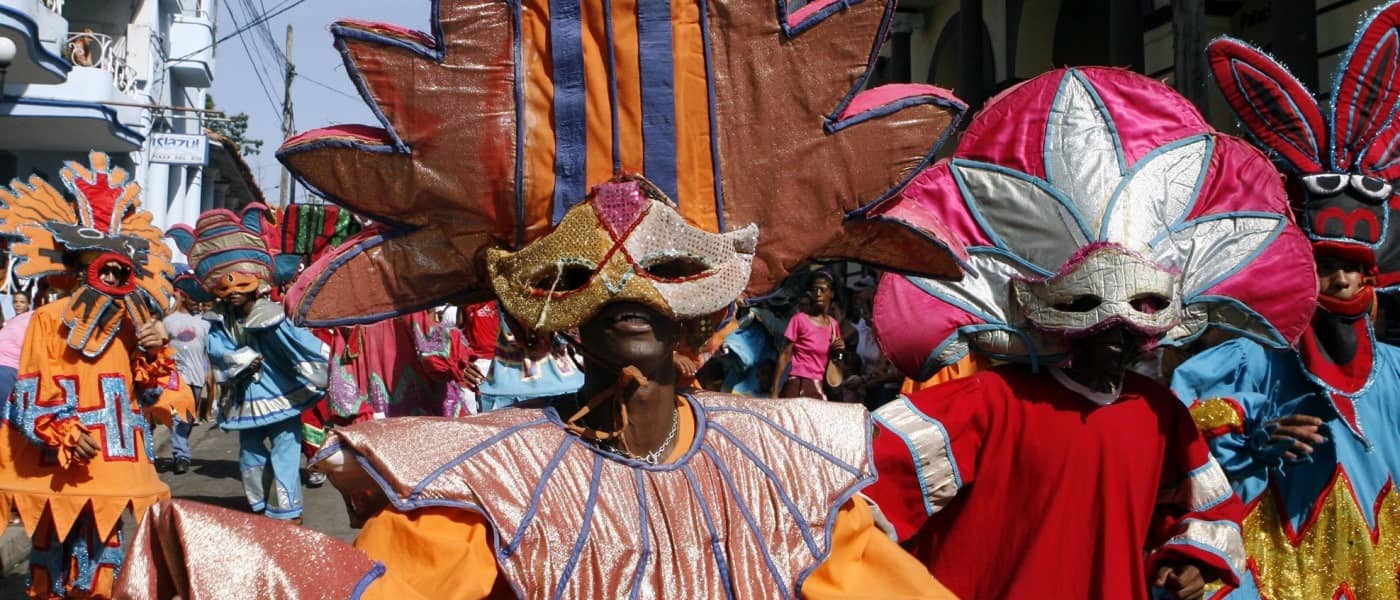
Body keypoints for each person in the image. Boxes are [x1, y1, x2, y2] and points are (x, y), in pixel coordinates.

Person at [112, 0, 971, 597]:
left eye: (667, 269)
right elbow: (385, 587)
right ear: (535, 304)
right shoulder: (492, 476)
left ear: (710, 309)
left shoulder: (784, 470)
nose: (624, 290)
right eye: (577, 272)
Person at [861, 67, 1320, 599]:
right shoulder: (989, 402)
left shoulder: (1159, 413)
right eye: (1094, 316)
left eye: (1132, 321)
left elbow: (1209, 511)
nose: (1114, 335)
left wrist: (1188, 561)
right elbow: (862, 483)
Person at [1168, 14, 1400, 598]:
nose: (1343, 279)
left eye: (1356, 266)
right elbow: (1185, 460)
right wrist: (1252, 445)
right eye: (1327, 265)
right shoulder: (1245, 364)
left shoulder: (1396, 374)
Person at [0, 152, 178, 599]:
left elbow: (151, 395)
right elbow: (27, 394)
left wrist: (154, 352)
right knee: (49, 564)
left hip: (115, 471)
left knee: (104, 562)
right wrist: (59, 428)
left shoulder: (136, 325)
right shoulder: (47, 319)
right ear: (76, 273)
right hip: (58, 469)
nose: (113, 280)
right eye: (104, 269)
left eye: (123, 271)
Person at [168, 204, 328, 523]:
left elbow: (301, 346)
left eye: (241, 285)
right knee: (250, 453)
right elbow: (218, 351)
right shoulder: (217, 321)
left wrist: (317, 375)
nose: (233, 293)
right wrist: (246, 360)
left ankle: (287, 511)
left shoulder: (273, 316)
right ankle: (258, 506)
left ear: (257, 283)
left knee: (285, 451)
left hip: (282, 394)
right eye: (224, 288)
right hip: (244, 399)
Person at [158, 281, 210, 474]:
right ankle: (182, 456)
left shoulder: (204, 322)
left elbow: (209, 351)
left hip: (197, 378)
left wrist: (210, 376)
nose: (197, 302)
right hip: (176, 378)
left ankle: (182, 447)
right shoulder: (169, 321)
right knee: (178, 418)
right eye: (193, 297)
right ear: (183, 296)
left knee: (187, 420)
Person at [771, 271, 844, 399]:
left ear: (831, 294)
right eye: (815, 290)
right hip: (797, 384)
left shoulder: (834, 325)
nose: (818, 294)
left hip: (819, 385)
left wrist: (840, 351)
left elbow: (837, 359)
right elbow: (785, 355)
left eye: (822, 290)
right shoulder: (799, 320)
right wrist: (774, 390)